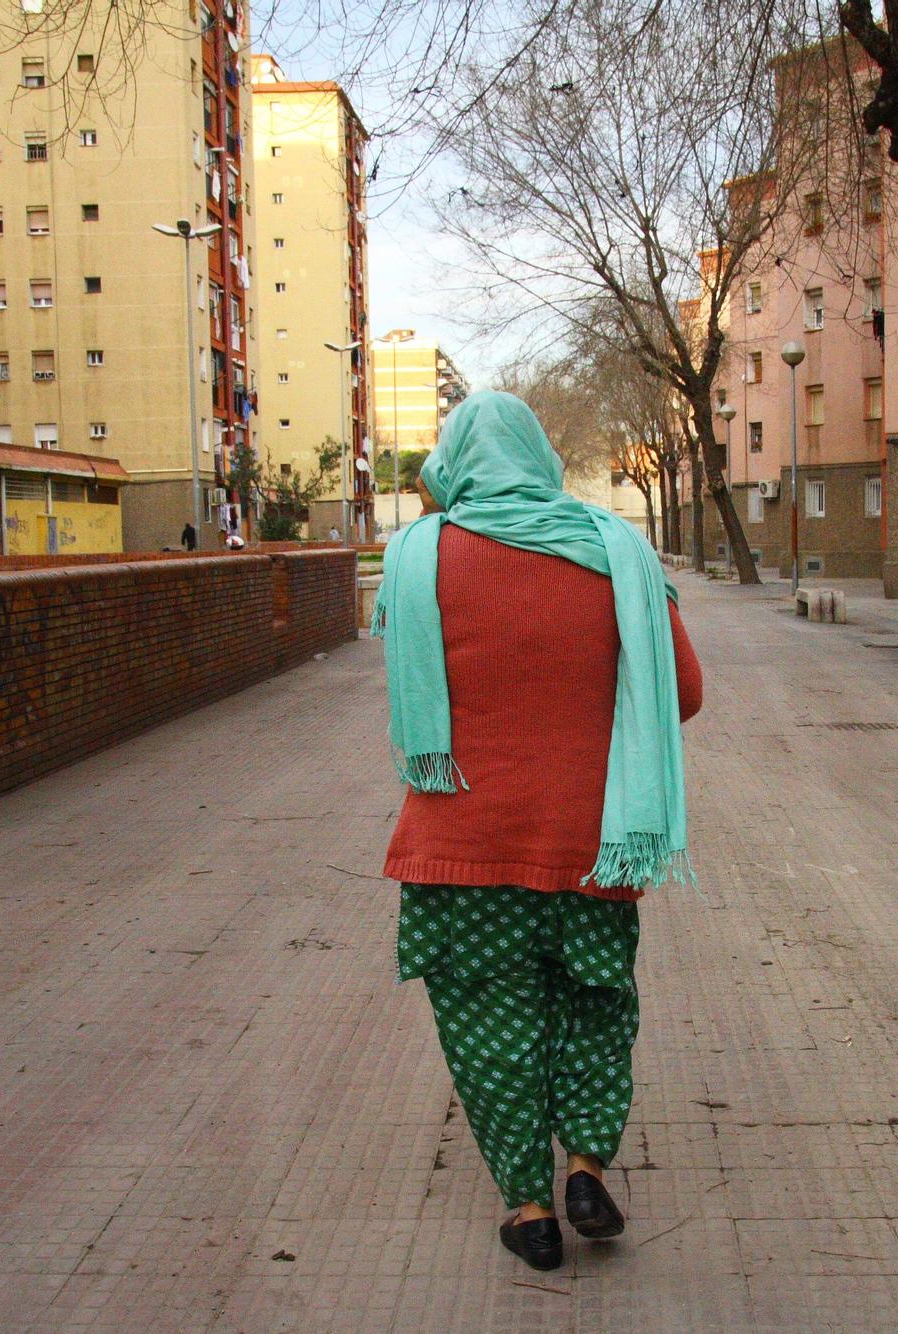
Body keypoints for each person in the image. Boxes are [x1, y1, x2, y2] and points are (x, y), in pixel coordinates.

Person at [373, 391, 701, 1272]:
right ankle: (586, 1164)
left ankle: (528, 1210)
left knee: (492, 1025)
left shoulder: (416, 559)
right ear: (544, 458)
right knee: (594, 1004)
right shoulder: (616, 553)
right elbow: (686, 694)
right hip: (591, 844)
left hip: (461, 848)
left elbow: (408, 695)